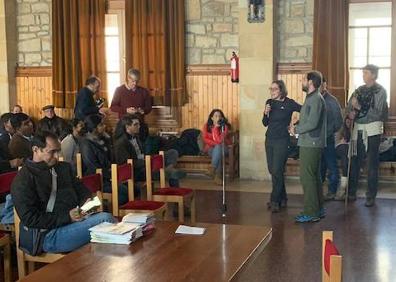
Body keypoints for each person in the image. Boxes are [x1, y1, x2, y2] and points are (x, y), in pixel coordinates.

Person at [11, 131, 115, 253]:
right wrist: (68, 217)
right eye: (52, 152)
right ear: (36, 149)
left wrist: (86, 205)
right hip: (48, 235)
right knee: (105, 220)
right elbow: (30, 218)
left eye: (58, 151)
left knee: (112, 231)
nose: (57, 156)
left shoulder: (63, 168)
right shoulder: (24, 179)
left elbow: (82, 191)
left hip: (74, 222)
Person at [346, 64, 388, 207]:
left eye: (366, 72)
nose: (363, 75)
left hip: (372, 130)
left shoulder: (380, 91)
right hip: (358, 129)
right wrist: (350, 112)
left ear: (374, 75)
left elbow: (378, 113)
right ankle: (351, 192)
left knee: (371, 164)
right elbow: (349, 106)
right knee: (355, 161)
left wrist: (359, 107)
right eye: (362, 72)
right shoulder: (359, 90)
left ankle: (370, 195)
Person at [289, 71, 326, 223]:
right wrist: (298, 124)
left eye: (304, 79)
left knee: (307, 177)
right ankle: (318, 208)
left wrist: (296, 130)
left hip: (311, 143)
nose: (301, 81)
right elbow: (309, 120)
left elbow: (313, 123)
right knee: (314, 177)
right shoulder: (312, 98)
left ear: (310, 82)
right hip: (310, 142)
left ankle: (311, 212)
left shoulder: (316, 98)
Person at [262, 80, 301, 212]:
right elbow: (264, 123)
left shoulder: (289, 103)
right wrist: (265, 113)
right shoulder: (269, 102)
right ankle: (283, 197)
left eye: (275, 89)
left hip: (282, 141)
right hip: (269, 140)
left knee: (277, 170)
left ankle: (274, 201)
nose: (272, 91)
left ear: (281, 90)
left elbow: (304, 110)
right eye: (271, 89)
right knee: (273, 170)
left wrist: (296, 126)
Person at [113, 114, 183, 187]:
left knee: (172, 152)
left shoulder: (136, 136)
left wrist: (149, 159)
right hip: (137, 170)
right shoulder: (121, 143)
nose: (139, 127)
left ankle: (170, 168)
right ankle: (171, 175)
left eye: (139, 124)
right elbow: (125, 163)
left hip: (145, 161)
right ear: (127, 127)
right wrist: (146, 162)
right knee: (172, 174)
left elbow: (142, 153)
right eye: (136, 125)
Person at [79, 114, 129, 205]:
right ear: (94, 128)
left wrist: (109, 140)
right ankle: (109, 210)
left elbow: (111, 159)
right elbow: (93, 166)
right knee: (124, 193)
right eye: (101, 125)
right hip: (96, 179)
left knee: (131, 189)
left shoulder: (102, 139)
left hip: (107, 175)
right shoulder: (86, 143)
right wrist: (110, 176)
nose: (104, 126)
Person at [320, 78, 343, 200]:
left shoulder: (332, 101)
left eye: (321, 84)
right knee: (319, 167)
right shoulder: (313, 99)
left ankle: (332, 191)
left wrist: (330, 131)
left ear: (325, 85)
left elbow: (339, 121)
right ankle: (318, 191)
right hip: (316, 140)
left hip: (328, 138)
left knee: (332, 166)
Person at [202, 109, 232, 185]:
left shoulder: (224, 127)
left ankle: (212, 169)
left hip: (224, 147)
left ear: (222, 118)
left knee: (218, 148)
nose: (218, 117)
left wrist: (215, 128)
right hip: (211, 149)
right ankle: (218, 177)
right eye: (216, 116)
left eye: (219, 116)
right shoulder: (206, 126)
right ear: (212, 118)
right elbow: (205, 139)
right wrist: (215, 144)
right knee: (218, 154)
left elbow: (219, 141)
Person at [334, 116, 352, 200]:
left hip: (348, 151)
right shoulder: (341, 129)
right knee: (344, 150)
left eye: (350, 122)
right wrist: (342, 142)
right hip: (339, 148)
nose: (348, 124)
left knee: (346, 160)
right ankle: (343, 186)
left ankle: (343, 186)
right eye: (347, 122)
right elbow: (336, 142)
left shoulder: (353, 130)